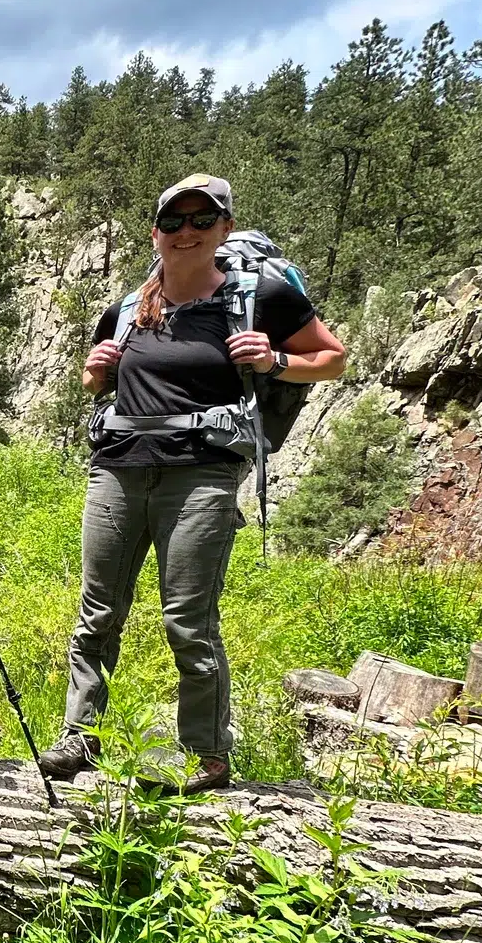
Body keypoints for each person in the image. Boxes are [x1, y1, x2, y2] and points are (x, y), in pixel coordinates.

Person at [39, 174, 346, 791]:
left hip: (202, 475)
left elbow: (332, 358)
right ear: (155, 232)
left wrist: (276, 361)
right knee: (97, 611)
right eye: (174, 221)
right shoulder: (129, 307)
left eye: (202, 220)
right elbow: (96, 382)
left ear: (224, 229)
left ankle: (206, 754)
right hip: (118, 467)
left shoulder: (260, 297)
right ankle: (80, 736)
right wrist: (93, 372)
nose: (187, 232)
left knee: (188, 618)